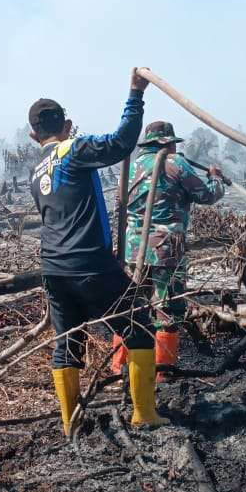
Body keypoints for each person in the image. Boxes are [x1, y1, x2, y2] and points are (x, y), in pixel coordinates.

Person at [28, 68, 169, 435]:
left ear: (32, 135)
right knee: (140, 328)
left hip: (53, 270)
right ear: (68, 124)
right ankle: (144, 414)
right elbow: (123, 142)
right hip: (89, 263)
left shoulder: (35, 172)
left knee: (67, 342)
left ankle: (69, 423)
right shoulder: (75, 148)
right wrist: (135, 95)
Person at [109, 121, 226, 379]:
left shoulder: (129, 168)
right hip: (165, 249)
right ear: (165, 143)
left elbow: (121, 203)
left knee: (130, 306)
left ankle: (119, 367)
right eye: (172, 142)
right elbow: (207, 195)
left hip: (132, 249)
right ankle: (163, 372)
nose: (174, 147)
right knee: (168, 308)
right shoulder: (175, 164)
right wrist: (216, 177)